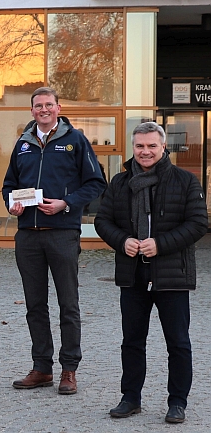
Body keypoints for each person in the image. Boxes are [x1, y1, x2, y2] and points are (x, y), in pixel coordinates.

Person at [95, 122, 207, 424]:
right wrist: (122, 241)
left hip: (172, 275)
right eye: (140, 146)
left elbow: (198, 223)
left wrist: (160, 244)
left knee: (178, 342)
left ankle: (177, 402)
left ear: (163, 147)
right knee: (132, 341)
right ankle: (130, 398)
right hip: (132, 274)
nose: (145, 151)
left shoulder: (185, 180)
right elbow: (103, 221)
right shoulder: (120, 182)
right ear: (133, 147)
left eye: (151, 146)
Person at [2, 87, 106, 395]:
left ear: (58, 108)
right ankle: (42, 368)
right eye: (39, 105)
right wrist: (12, 204)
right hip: (28, 236)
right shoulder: (23, 144)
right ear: (32, 110)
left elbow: (96, 183)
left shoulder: (75, 140)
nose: (44, 109)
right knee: (35, 305)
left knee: (68, 304)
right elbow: (9, 185)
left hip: (62, 233)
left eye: (49, 104)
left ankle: (69, 369)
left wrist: (66, 203)